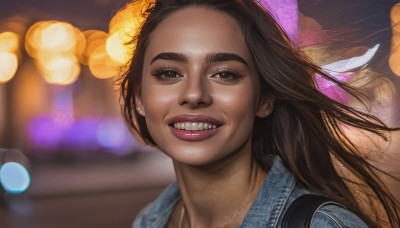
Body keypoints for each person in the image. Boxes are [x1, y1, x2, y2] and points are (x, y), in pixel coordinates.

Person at [118, 0, 400, 227]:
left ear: (263, 99)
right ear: (140, 97)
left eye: (224, 74)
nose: (194, 94)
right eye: (168, 73)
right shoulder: (148, 221)